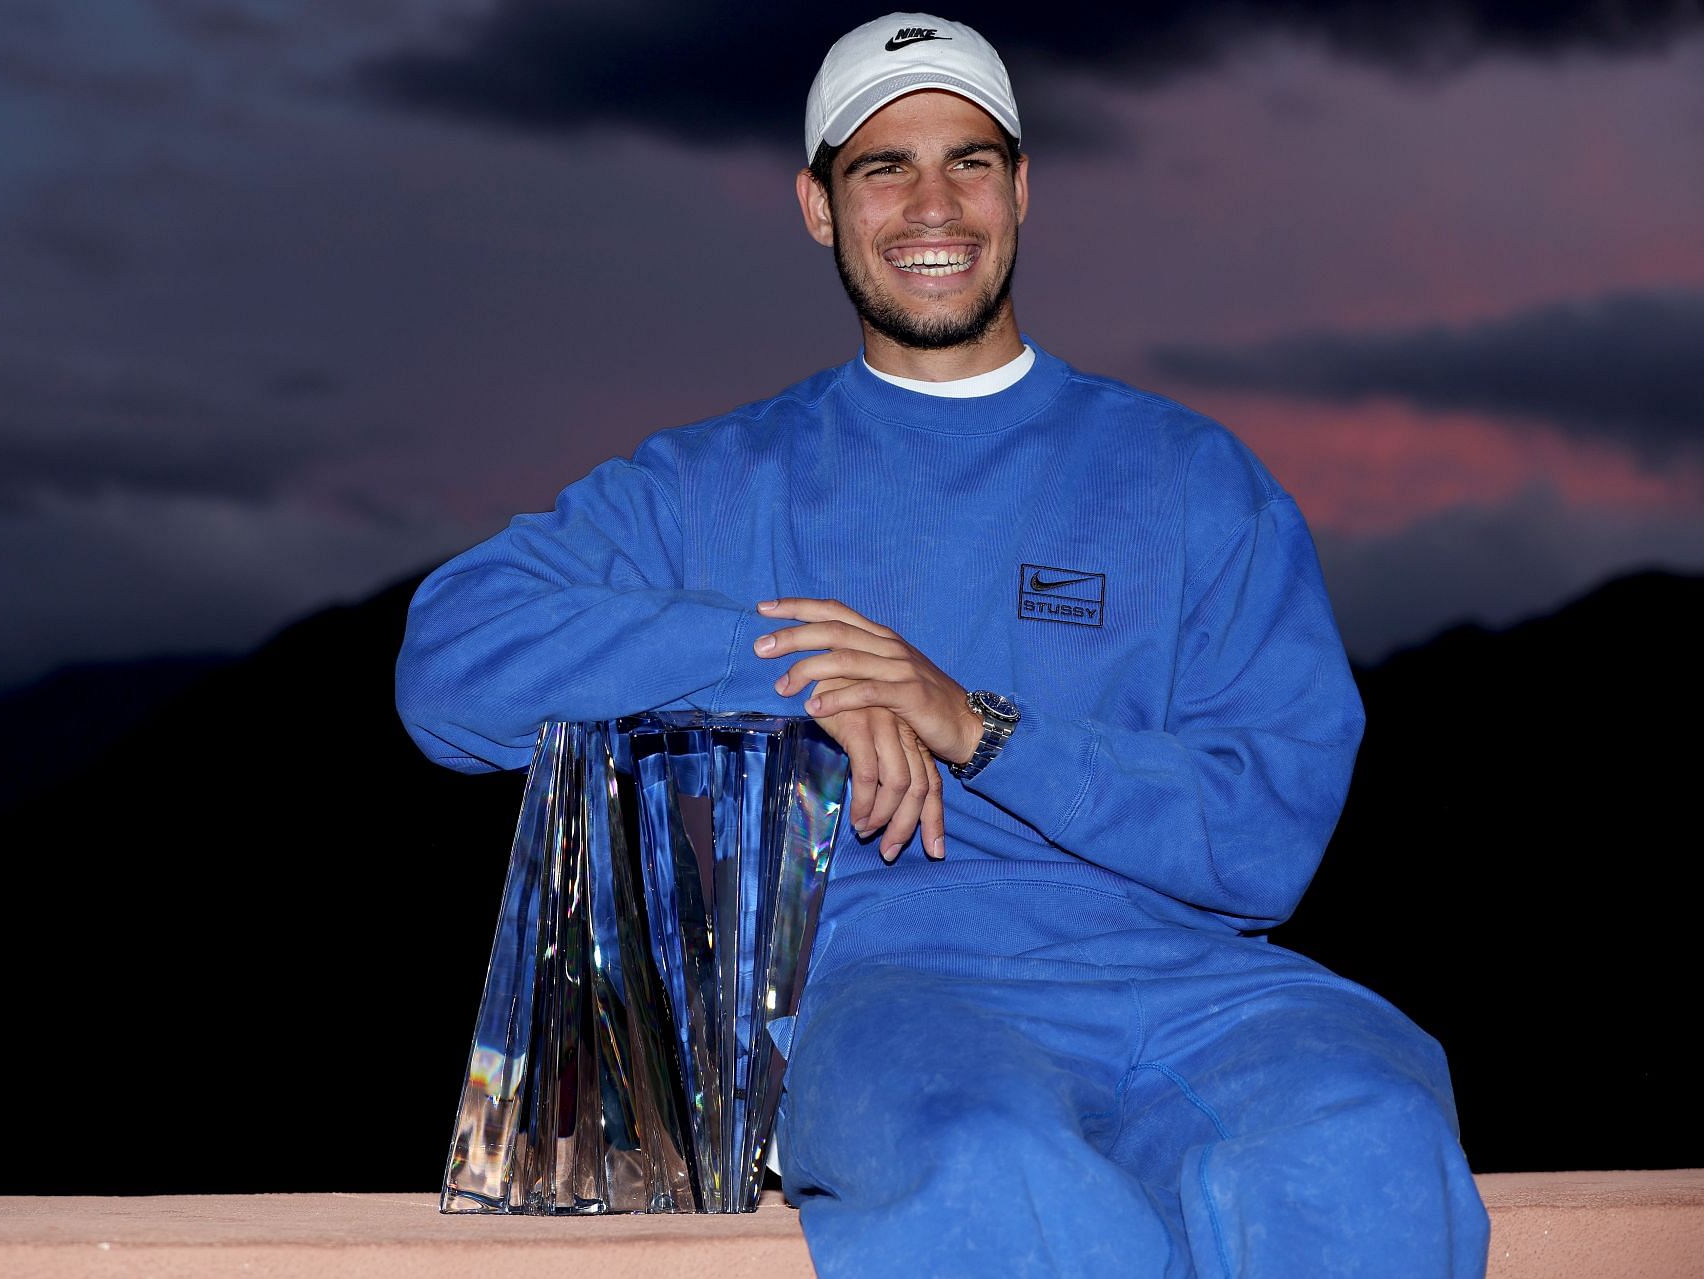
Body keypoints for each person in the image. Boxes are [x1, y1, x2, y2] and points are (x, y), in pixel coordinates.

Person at [397, 12, 1491, 1277]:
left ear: (1022, 189)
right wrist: (809, 663)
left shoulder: (1192, 478)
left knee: (1362, 1132)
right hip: (890, 994)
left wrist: (976, 726)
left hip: (1195, 988)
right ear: (817, 206)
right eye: (882, 167)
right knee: (985, 1160)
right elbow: (449, 661)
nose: (934, 204)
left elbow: (1269, 831)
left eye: (969, 161)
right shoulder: (714, 484)